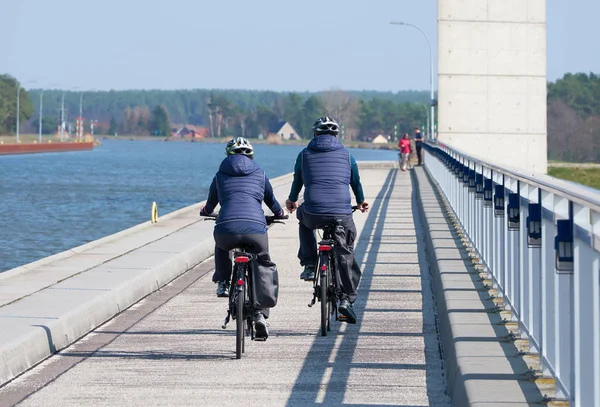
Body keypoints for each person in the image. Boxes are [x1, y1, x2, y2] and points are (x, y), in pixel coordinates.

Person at [285, 116, 369, 324]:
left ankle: (310, 265)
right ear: (336, 135)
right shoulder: (347, 155)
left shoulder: (304, 155)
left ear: (315, 134)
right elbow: (355, 182)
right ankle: (345, 300)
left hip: (313, 211)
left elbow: (298, 180)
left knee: (303, 221)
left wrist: (292, 201)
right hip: (341, 213)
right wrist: (360, 202)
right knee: (345, 248)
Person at [199, 137, 285, 339]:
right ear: (251, 156)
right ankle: (260, 316)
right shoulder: (260, 174)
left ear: (228, 155)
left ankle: (223, 282)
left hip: (227, 227)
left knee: (221, 245)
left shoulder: (220, 175)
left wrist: (205, 210)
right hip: (255, 228)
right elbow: (272, 202)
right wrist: (280, 214)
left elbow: (210, 204)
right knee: (262, 262)